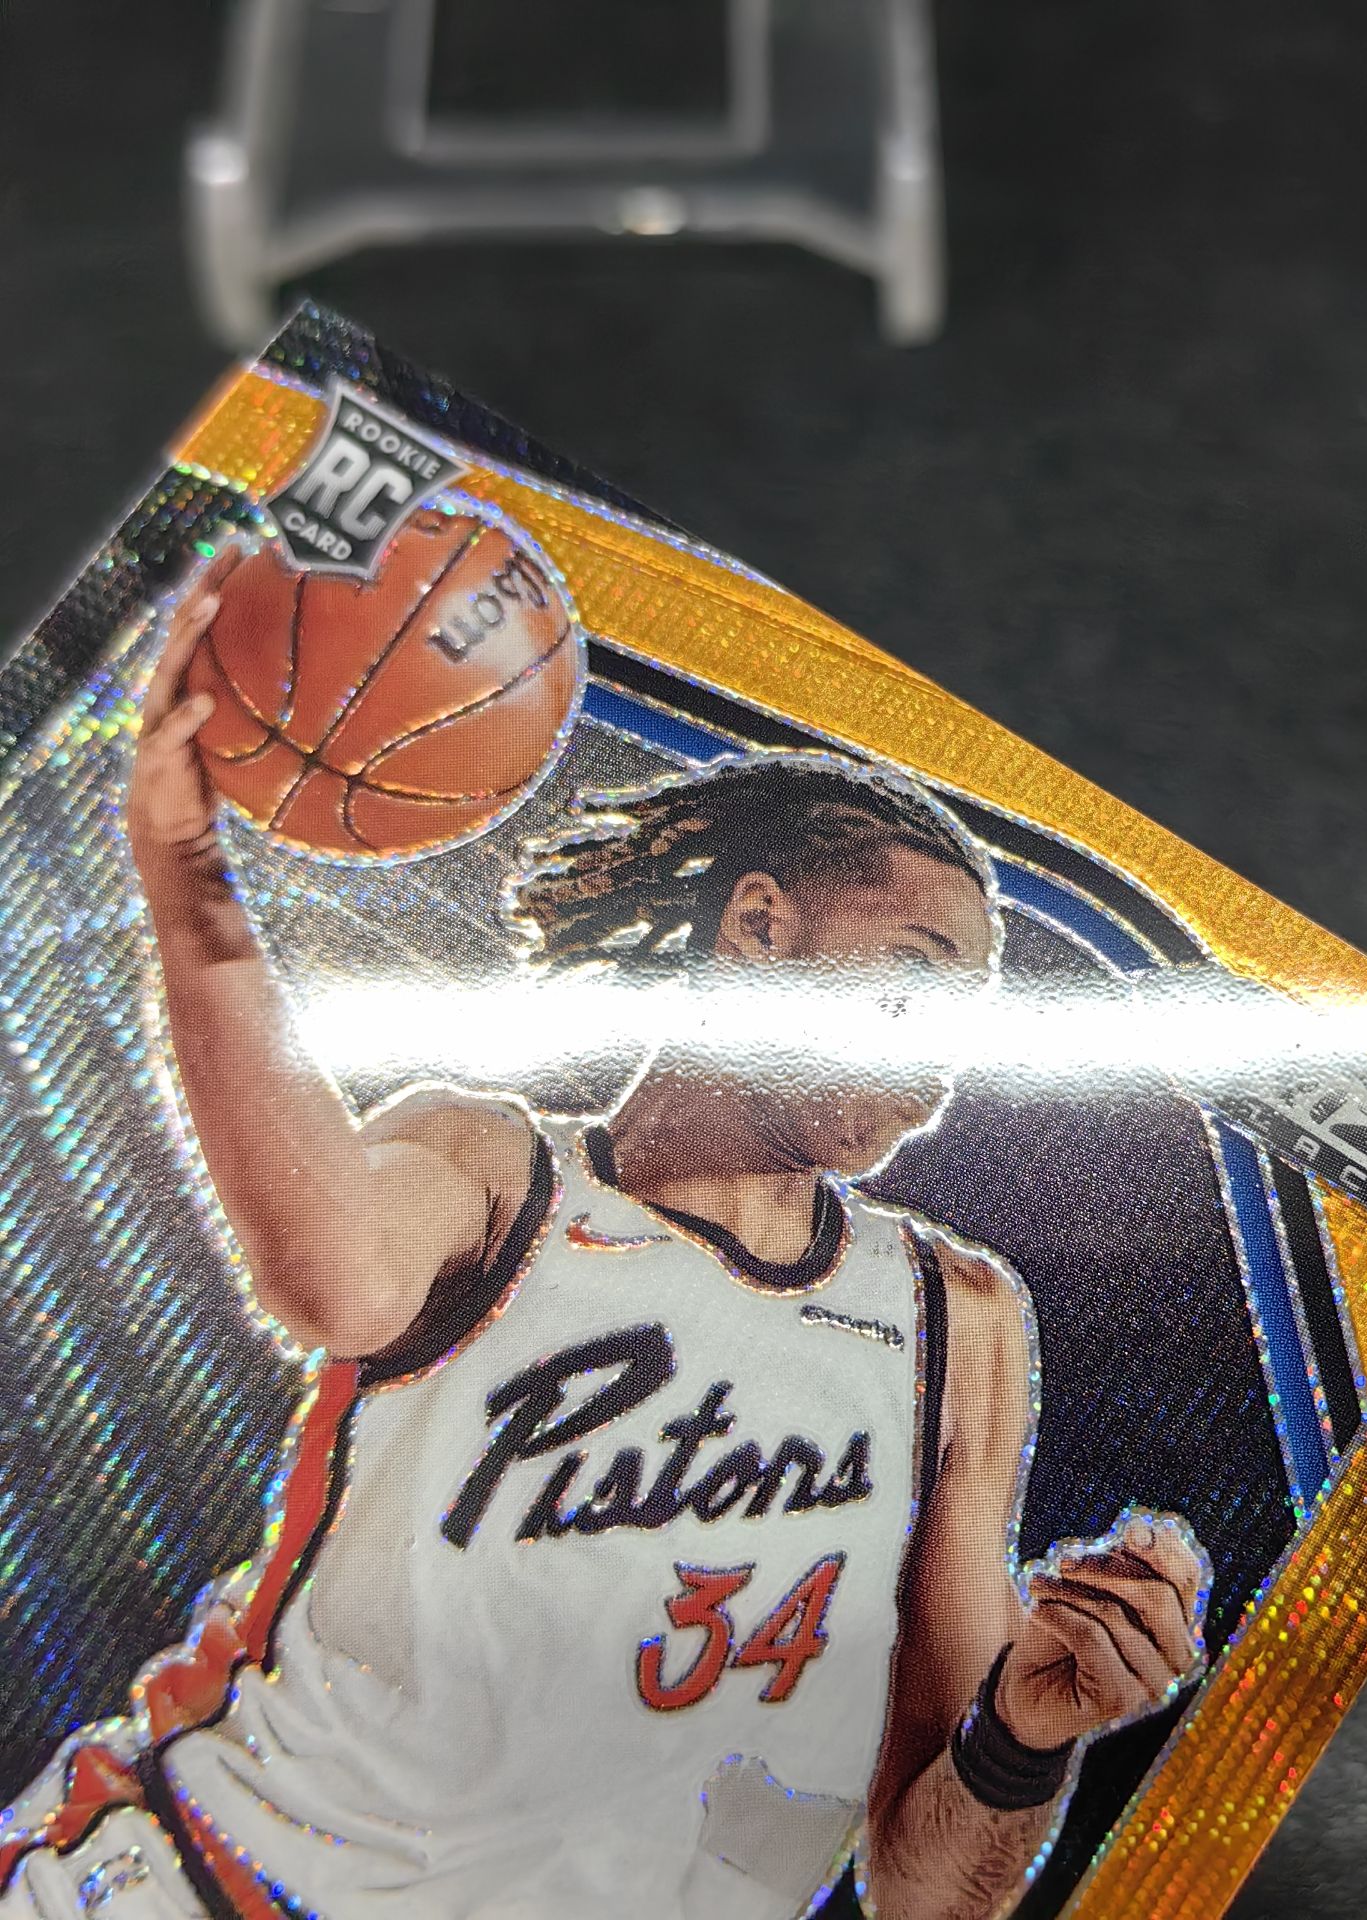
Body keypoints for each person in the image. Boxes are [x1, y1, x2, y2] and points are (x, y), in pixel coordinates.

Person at [0, 549, 1208, 1920]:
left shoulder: (954, 1317)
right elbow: (325, 1272)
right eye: (914, 980)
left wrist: (1025, 1737)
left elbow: (932, 1892)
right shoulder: (500, 1172)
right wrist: (193, 890)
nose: (944, 1050)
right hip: (206, 1886)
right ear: (759, 928)